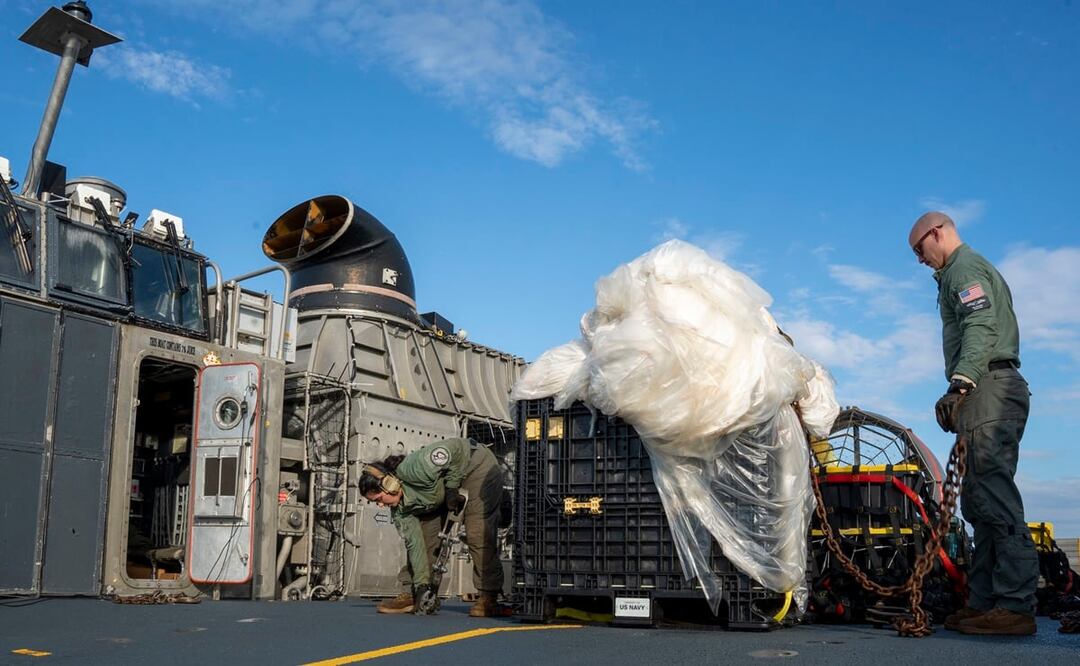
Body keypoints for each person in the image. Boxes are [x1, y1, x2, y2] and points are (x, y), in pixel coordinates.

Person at [908, 211, 1039, 636]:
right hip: (987, 388)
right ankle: (985, 601)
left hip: (990, 387)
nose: (920, 259)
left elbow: (980, 323)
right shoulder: (957, 274)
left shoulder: (964, 268)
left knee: (995, 496)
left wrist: (961, 384)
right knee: (979, 500)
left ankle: (1015, 605)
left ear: (937, 233)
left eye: (919, 249)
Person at [360, 437, 506, 617]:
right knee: (425, 535)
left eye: (379, 500)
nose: (380, 505)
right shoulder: (400, 511)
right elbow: (415, 545)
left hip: (476, 467)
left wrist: (452, 486)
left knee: (477, 532)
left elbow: (456, 449)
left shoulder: (416, 467)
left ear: (389, 484)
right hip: (440, 491)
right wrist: (422, 585)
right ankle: (417, 594)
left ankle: (488, 596)